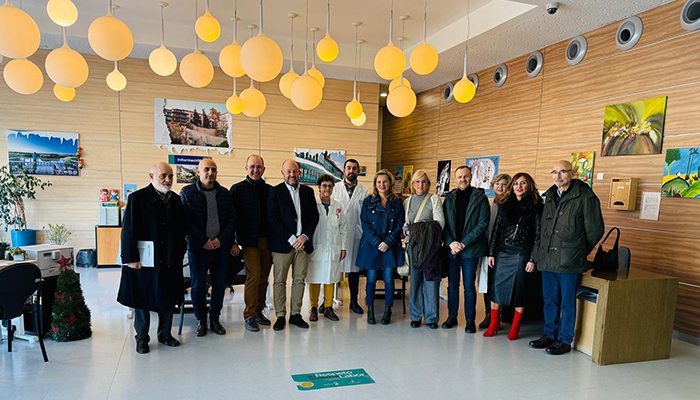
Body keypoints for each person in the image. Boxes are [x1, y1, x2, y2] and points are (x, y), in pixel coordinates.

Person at [529, 160, 604, 355]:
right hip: (548, 258)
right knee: (549, 301)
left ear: (572, 173)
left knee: (567, 303)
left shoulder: (585, 196)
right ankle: (549, 334)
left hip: (570, 259)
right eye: (554, 172)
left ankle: (564, 340)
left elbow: (595, 230)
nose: (558, 176)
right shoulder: (549, 196)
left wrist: (578, 250)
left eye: (562, 172)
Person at [117, 162, 186, 354]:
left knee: (168, 296)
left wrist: (180, 251)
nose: (168, 180)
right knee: (142, 298)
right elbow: (128, 230)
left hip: (170, 259)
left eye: (171, 176)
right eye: (163, 175)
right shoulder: (137, 198)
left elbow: (181, 229)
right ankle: (142, 338)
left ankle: (165, 334)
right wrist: (131, 258)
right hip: (144, 260)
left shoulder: (176, 200)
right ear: (152, 176)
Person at [180, 159, 236, 337]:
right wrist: (204, 240)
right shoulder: (187, 192)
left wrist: (220, 239)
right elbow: (185, 222)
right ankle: (201, 320)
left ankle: (215, 319)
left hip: (220, 248)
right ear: (198, 172)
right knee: (198, 286)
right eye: (206, 169)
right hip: (198, 248)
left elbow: (232, 220)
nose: (210, 173)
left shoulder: (225, 194)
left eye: (213, 169)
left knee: (219, 286)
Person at [484, 172, 543, 340]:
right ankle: (494, 322)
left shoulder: (536, 206)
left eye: (523, 183)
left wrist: (532, 259)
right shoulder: (505, 204)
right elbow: (496, 231)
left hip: (522, 252)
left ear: (529, 186)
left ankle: (515, 326)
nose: (519, 186)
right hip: (503, 251)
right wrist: (491, 253)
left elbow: (538, 236)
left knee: (520, 290)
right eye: (516, 183)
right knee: (497, 287)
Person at [268, 160, 319, 331]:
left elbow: (314, 217)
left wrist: (304, 236)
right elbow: (273, 220)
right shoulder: (274, 192)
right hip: (282, 244)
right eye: (288, 171)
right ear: (282, 173)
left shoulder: (308, 192)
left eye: (295, 171)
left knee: (299, 280)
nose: (292, 175)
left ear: (300, 173)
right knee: (279, 281)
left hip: (303, 245)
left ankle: (296, 314)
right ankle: (280, 315)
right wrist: (292, 239)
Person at [441, 166, 490, 333]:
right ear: (456, 179)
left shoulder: (481, 198)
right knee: (452, 285)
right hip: (452, 250)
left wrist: (463, 243)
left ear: (471, 177)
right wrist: (451, 243)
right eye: (460, 177)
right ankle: (452, 317)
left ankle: (470, 320)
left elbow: (482, 224)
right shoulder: (449, 198)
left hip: (471, 250)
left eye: (466, 176)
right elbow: (443, 224)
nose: (463, 179)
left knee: (469, 286)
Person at [356, 169, 405, 325]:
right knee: (371, 278)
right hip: (372, 246)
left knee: (389, 278)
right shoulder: (368, 201)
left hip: (390, 246)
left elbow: (400, 224)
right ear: (375, 184)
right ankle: (370, 309)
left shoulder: (397, 202)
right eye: (379, 182)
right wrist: (378, 243)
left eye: (385, 181)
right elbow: (365, 224)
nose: (382, 185)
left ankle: (387, 310)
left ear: (390, 183)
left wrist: (388, 242)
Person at [230, 155, 273, 332]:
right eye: (252, 167)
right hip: (249, 242)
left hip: (268, 241)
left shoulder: (270, 190)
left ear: (264, 169)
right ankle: (249, 316)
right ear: (246, 168)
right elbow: (232, 217)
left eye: (259, 167)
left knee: (264, 278)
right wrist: (233, 242)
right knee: (253, 277)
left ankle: (258, 311)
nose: (256, 170)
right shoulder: (237, 189)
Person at [403, 170, 445, 329]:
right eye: (417, 181)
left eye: (424, 182)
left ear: (428, 184)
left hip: (430, 247)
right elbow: (405, 226)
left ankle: (431, 317)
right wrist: (409, 231)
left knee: (430, 281)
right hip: (413, 247)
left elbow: (439, 223)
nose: (420, 185)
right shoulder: (407, 202)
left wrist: (415, 230)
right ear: (413, 184)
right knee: (415, 282)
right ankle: (415, 316)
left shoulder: (434, 199)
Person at [331, 159, 370, 315]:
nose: (351, 171)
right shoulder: (335, 189)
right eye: (348, 168)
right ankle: (327, 301)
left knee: (354, 270)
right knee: (333, 269)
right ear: (344, 171)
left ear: (358, 171)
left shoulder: (365, 192)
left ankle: (354, 302)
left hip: (356, 235)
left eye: (354, 168)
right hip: (337, 235)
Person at [307, 174, 347, 322]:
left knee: (331, 277)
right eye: (324, 185)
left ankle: (328, 307)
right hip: (317, 247)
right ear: (319, 187)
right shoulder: (312, 204)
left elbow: (343, 228)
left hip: (333, 247)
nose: (327, 189)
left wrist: (343, 247)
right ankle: (313, 307)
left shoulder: (337, 206)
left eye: (330, 186)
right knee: (315, 277)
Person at [478, 173, 511, 329]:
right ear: (492, 187)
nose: (500, 187)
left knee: (501, 284)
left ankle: (499, 316)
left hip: (504, 252)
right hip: (487, 251)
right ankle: (488, 315)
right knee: (487, 283)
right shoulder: (489, 206)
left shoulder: (511, 206)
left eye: (504, 184)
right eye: (497, 184)